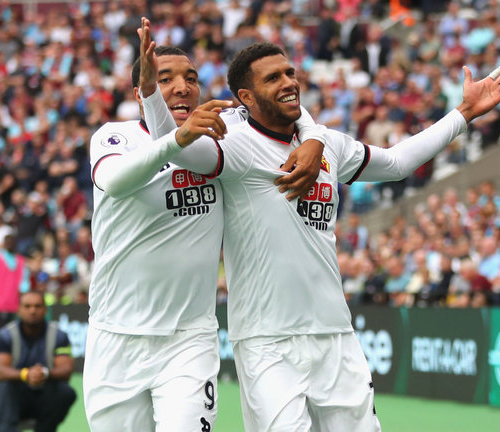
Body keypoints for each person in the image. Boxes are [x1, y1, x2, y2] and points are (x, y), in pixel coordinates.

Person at [142, 41, 500, 431]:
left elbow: (397, 163)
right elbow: (178, 151)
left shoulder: (329, 145)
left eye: (289, 72)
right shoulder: (235, 146)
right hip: (267, 342)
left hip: (337, 335)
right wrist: (152, 91)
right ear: (246, 98)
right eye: (273, 78)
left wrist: (464, 113)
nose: (289, 82)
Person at [82, 18, 324, 431]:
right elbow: (114, 181)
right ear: (141, 88)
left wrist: (313, 136)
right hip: (115, 336)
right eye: (165, 77)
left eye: (191, 78)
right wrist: (175, 141)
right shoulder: (115, 137)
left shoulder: (221, 141)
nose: (182, 86)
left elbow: (281, 110)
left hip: (189, 340)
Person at [0, 291, 76, 432]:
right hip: (15, 398)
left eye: (37, 306)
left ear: (45, 310)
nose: (32, 311)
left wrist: (45, 373)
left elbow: (66, 369)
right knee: (5, 387)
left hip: (45, 395)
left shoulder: (59, 336)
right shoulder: (5, 335)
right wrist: (26, 374)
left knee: (65, 391)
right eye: (27, 306)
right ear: (19, 310)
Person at [0, 234, 31, 330]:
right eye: (7, 242)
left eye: (12, 242)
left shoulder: (21, 261)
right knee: (2, 333)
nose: (10, 245)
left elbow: (24, 283)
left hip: (15, 305)